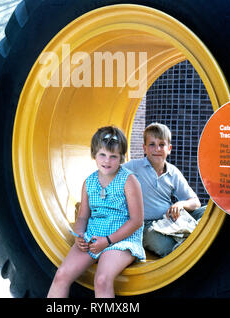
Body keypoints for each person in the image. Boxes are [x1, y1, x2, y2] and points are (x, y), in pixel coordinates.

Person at [47, 126, 145, 298]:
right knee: (61, 275)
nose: (107, 161)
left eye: (113, 156)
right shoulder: (89, 182)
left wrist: (107, 241)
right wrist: (79, 235)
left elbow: (137, 220)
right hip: (93, 236)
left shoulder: (129, 180)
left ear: (121, 157)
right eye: (102, 155)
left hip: (121, 238)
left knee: (101, 280)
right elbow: (83, 216)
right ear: (94, 154)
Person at [124, 122, 206, 257]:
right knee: (162, 243)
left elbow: (195, 202)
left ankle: (196, 239)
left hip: (170, 218)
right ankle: (184, 250)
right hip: (146, 225)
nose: (157, 149)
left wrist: (180, 204)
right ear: (144, 148)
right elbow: (109, 174)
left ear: (169, 148)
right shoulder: (133, 167)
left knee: (209, 210)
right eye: (152, 144)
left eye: (162, 145)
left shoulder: (173, 172)